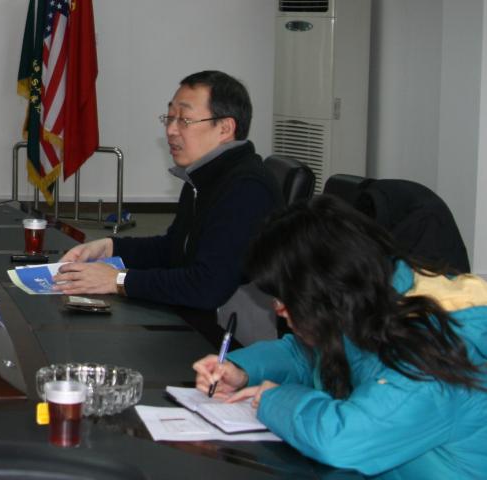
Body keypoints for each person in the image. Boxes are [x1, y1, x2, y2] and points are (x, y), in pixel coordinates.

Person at [193, 196, 487, 478]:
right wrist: (243, 371)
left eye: (284, 299)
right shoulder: (370, 302)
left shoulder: (437, 352)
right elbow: (307, 355)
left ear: (320, 290)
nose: (279, 311)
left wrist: (273, 399)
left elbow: (343, 439)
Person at [55, 70, 281, 310]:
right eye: (170, 118)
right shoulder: (204, 175)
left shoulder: (246, 189)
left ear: (225, 128)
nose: (171, 130)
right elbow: (174, 249)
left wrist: (118, 280)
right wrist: (109, 247)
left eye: (184, 120)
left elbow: (207, 287)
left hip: (227, 327)